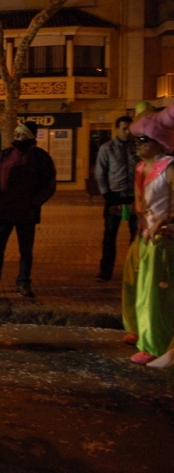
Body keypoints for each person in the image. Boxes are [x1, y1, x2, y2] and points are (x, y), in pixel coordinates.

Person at [120, 102, 174, 365]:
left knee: (154, 293)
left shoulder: (169, 168)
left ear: (159, 141)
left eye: (143, 139)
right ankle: (138, 329)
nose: (137, 144)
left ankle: (155, 343)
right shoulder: (142, 168)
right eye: (136, 139)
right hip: (143, 235)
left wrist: (165, 220)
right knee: (134, 283)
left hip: (162, 238)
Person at [0, 121, 57, 298]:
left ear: (31, 136)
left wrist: (34, 202)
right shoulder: (4, 155)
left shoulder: (41, 157)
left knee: (26, 250)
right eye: (17, 133)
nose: (20, 136)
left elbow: (49, 184)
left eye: (24, 133)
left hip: (27, 212)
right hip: (4, 210)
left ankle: (23, 282)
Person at [95, 115, 138, 283]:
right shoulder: (107, 148)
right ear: (117, 129)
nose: (127, 132)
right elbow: (100, 173)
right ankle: (105, 271)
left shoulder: (138, 147)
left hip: (134, 197)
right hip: (115, 197)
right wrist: (107, 195)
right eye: (123, 128)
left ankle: (133, 270)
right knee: (110, 236)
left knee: (136, 236)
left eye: (129, 128)